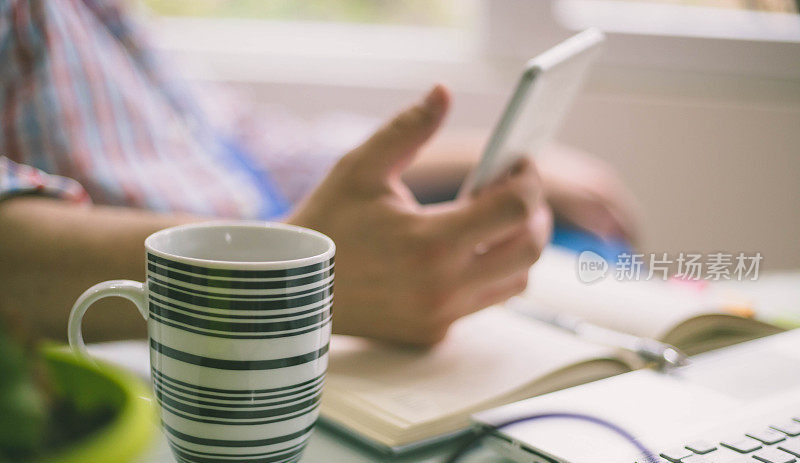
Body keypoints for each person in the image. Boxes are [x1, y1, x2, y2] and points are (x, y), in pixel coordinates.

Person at [0, 0, 639, 345]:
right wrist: (284, 282)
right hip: (220, 327)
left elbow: (244, 144)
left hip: (289, 259)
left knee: (600, 254)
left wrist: (471, 156)